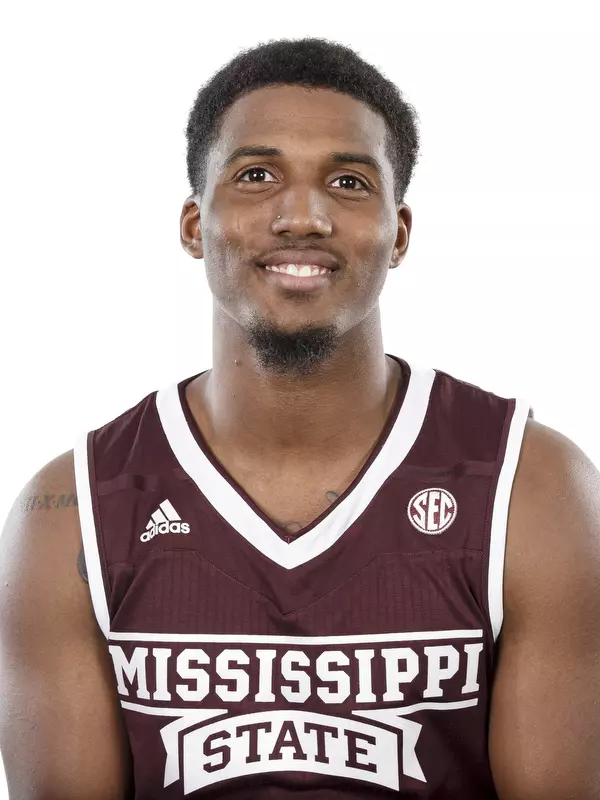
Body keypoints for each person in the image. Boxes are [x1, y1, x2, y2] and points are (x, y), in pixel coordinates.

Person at [1, 36, 599, 800]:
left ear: (399, 233)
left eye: (348, 182)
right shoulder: (72, 513)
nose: (303, 217)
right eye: (257, 176)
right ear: (193, 224)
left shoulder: (531, 488)